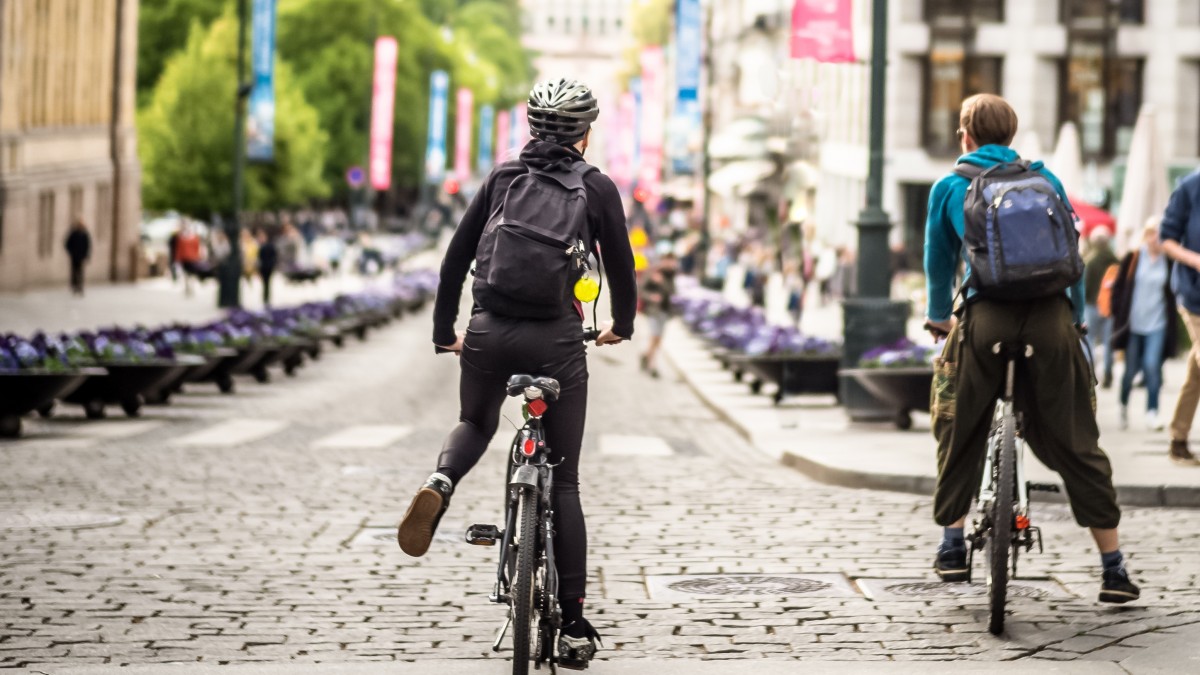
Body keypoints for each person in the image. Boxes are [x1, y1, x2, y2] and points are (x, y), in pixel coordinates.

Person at [396, 78, 637, 669]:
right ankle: (573, 624)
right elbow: (622, 267)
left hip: (488, 333)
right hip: (556, 341)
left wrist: (444, 333)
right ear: (585, 133)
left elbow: (455, 260)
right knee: (566, 481)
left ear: (531, 127)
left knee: (475, 423)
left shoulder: (503, 177)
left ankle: (442, 481)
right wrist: (622, 325)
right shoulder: (597, 187)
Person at [924, 94, 1139, 603]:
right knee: (1077, 440)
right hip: (1049, 321)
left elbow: (938, 260)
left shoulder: (950, 185)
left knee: (956, 421)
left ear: (965, 135)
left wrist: (938, 317)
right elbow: (1072, 259)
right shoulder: (1047, 181)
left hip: (985, 319)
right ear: (1012, 135)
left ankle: (952, 546)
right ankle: (1113, 569)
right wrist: (1076, 319)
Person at [1111, 220, 1177, 432]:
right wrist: (1118, 314)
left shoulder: (1169, 262)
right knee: (1130, 371)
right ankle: (1123, 405)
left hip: (1158, 323)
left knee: (1152, 366)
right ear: (1146, 235)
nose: (1156, 239)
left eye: (1160, 235)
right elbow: (1118, 288)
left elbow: (1173, 293)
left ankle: (1152, 412)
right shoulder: (1133, 258)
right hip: (1133, 324)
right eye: (1153, 234)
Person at [1158, 168, 1200, 465]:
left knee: (1196, 372)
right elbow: (1166, 239)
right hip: (1194, 295)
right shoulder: (1190, 186)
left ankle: (1178, 439)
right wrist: (1195, 259)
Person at [1083, 226, 1119, 388]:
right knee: (1108, 342)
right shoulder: (1115, 260)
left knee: (1089, 340)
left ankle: (1089, 372)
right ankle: (1108, 373)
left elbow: (1084, 286)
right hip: (1110, 308)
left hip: (1091, 305)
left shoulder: (1090, 261)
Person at [640, 253, 677, 378]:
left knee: (658, 338)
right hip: (653, 310)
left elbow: (672, 292)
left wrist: (661, 282)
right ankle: (652, 365)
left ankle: (646, 356)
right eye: (667, 260)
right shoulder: (652, 271)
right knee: (654, 336)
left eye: (672, 261)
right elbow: (641, 290)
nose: (670, 263)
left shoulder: (672, 274)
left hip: (665, 310)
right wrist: (651, 297)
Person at [175, 221, 203, 297]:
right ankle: (187, 288)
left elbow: (197, 248)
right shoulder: (181, 238)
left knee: (192, 274)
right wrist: (178, 258)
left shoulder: (194, 238)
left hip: (193, 259)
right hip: (184, 259)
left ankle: (191, 287)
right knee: (186, 274)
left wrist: (198, 257)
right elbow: (179, 249)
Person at [64, 219, 91, 296]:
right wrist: (71, 252)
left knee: (80, 272)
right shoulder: (74, 234)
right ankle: (75, 286)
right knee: (74, 272)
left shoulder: (85, 235)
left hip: (81, 257)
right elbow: (67, 244)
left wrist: (86, 255)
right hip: (74, 256)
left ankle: (80, 286)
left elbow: (87, 246)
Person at [257, 230, 278, 307]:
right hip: (263, 267)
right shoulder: (260, 246)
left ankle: (267, 298)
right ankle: (265, 298)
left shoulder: (269, 246)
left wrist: (272, 264)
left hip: (268, 267)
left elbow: (274, 256)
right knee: (265, 283)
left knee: (267, 283)